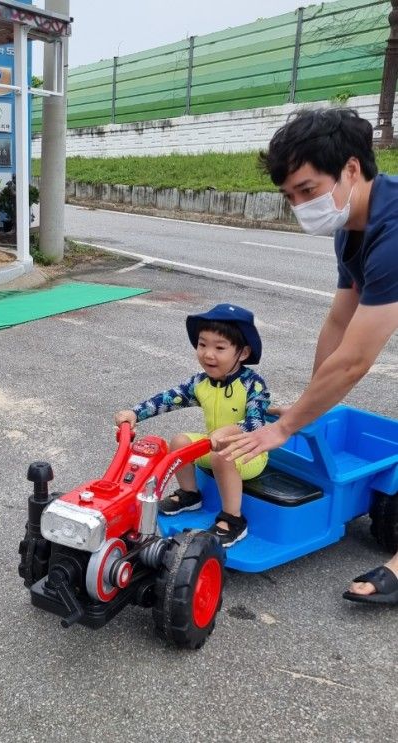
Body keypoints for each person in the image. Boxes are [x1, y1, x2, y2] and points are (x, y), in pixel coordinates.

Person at [218, 108, 398, 603]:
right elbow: (340, 322)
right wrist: (313, 405)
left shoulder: (394, 229)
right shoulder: (351, 228)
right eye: (290, 196)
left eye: (308, 189)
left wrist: (285, 427)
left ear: (352, 169)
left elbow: (357, 359)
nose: (300, 205)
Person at [114, 304, 270, 547]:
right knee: (179, 441)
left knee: (222, 456)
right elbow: (168, 399)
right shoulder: (201, 383)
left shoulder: (253, 384)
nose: (208, 354)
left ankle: (233, 519)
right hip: (214, 445)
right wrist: (135, 413)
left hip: (250, 453)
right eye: (202, 344)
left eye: (220, 347)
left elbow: (256, 421)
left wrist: (228, 432)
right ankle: (189, 494)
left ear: (243, 352)